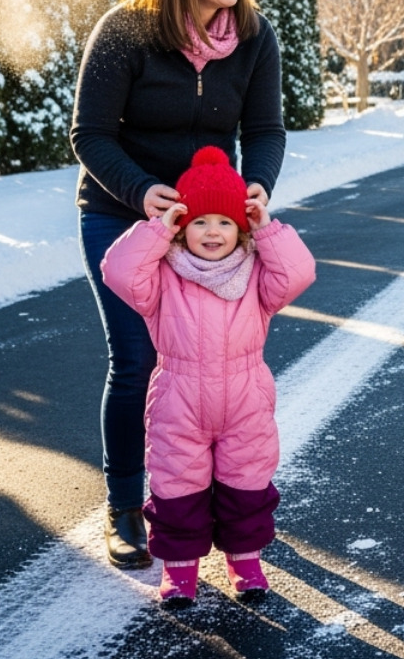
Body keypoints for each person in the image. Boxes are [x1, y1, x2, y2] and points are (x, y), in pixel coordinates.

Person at [71, 0, 285, 568]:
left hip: (210, 229)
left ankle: (212, 504)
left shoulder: (253, 37)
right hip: (121, 215)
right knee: (138, 361)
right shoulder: (125, 32)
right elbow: (90, 135)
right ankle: (126, 506)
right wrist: (141, 193)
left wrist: (258, 187)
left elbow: (265, 130)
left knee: (212, 368)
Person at [102, 146, 315, 607]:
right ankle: (180, 572)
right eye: (199, 221)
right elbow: (118, 270)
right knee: (177, 488)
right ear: (183, 227)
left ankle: (246, 562)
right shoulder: (162, 276)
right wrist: (159, 229)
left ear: (241, 228)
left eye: (224, 222)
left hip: (245, 401)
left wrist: (268, 229)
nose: (212, 232)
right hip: (179, 401)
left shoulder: (258, 274)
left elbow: (300, 273)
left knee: (247, 486)